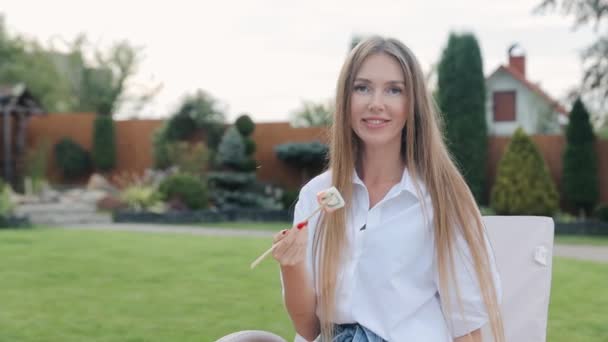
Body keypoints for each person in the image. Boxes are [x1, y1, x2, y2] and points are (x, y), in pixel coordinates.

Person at [271, 36, 504, 342]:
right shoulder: (316, 194)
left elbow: (468, 328)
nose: (376, 103)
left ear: (412, 105)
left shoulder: (443, 202)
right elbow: (308, 329)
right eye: (362, 87)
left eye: (394, 90)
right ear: (345, 100)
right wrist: (292, 264)